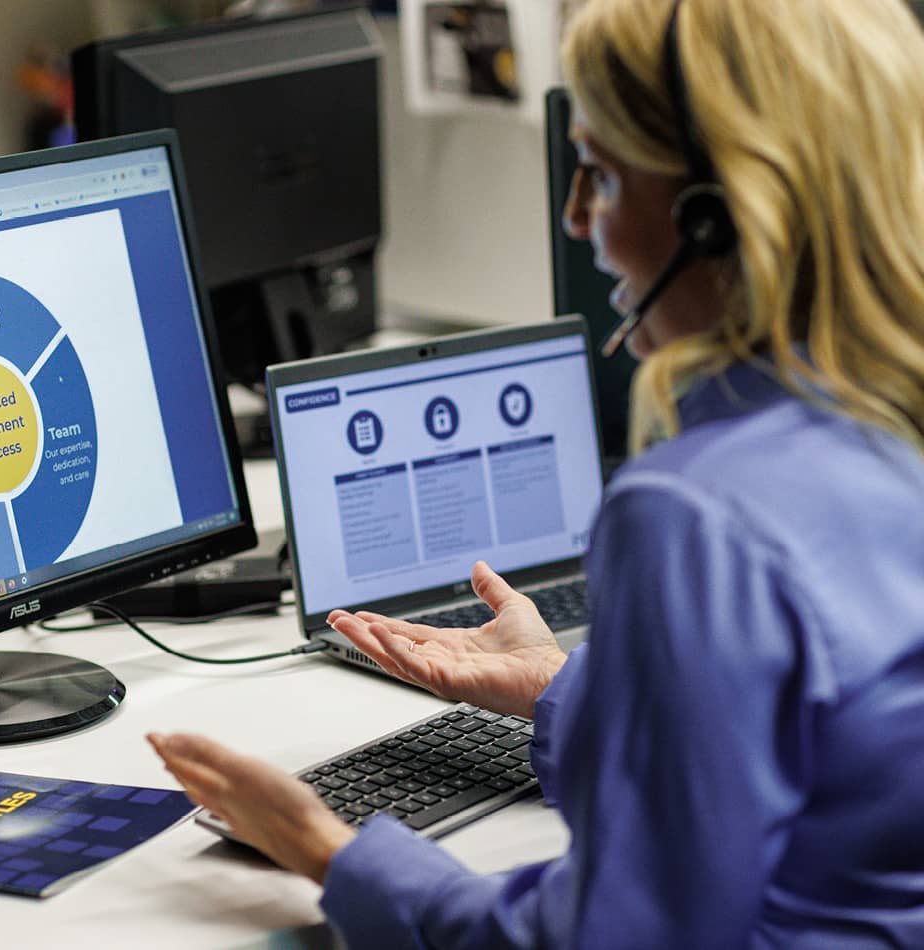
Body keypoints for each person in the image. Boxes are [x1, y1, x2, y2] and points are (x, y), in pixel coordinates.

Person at [149, 0, 924, 944]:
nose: (576, 218)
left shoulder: (695, 513)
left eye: (597, 173)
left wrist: (330, 848)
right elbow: (831, 759)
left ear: (715, 221)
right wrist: (563, 687)